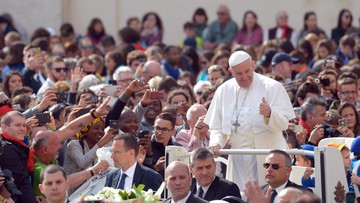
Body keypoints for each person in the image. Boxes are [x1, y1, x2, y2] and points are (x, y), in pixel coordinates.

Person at [204, 51, 295, 191]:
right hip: (238, 159)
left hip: (266, 157)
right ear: (231, 71)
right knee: (239, 196)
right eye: (239, 74)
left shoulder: (272, 87)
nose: (244, 77)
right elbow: (216, 127)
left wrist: (270, 114)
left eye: (247, 71)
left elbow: (284, 124)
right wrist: (216, 143)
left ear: (253, 65)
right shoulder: (224, 90)